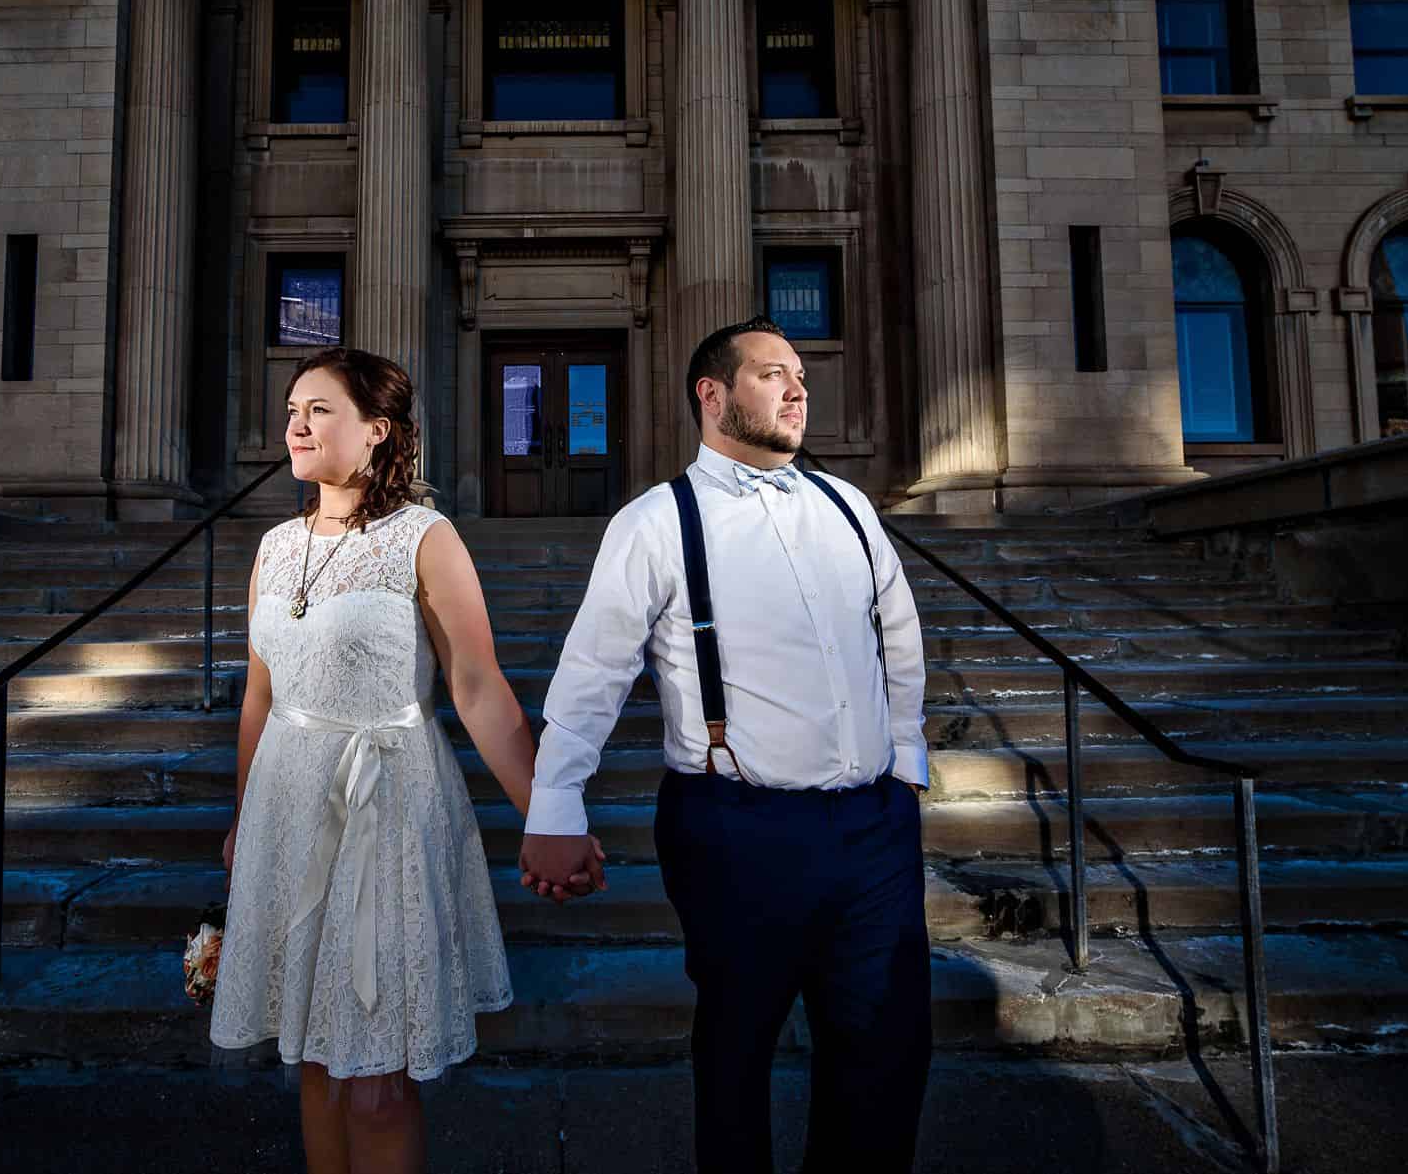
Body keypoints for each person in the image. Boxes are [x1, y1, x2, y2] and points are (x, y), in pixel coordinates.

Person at [519, 318, 932, 1174]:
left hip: (874, 831)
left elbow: (899, 634)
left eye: (802, 376)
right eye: (773, 373)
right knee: (737, 1058)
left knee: (887, 1058)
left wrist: (903, 766)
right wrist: (554, 806)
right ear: (713, 394)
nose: (798, 388)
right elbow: (593, 672)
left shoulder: (849, 506)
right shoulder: (654, 522)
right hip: (737, 831)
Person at [212, 346, 565, 1174]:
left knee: (376, 1077)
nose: (296, 423)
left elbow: (478, 688)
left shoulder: (424, 536)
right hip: (285, 810)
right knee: (312, 1061)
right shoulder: (272, 546)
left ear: (377, 430)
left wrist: (552, 814)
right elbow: (259, 698)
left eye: (319, 409)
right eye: (293, 409)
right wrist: (240, 823)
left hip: (387, 811)